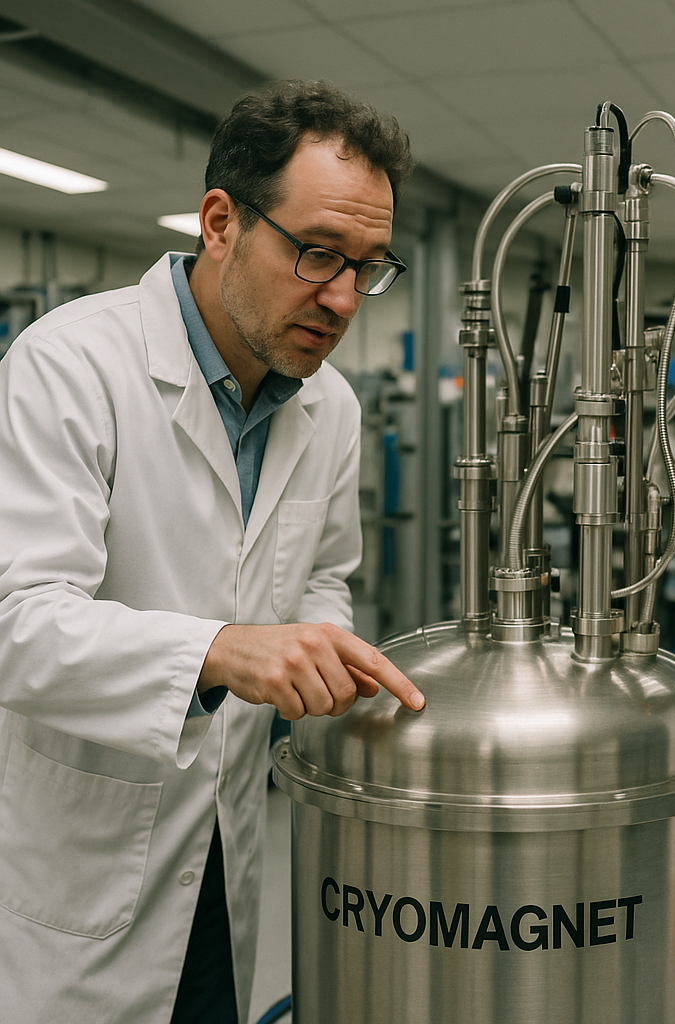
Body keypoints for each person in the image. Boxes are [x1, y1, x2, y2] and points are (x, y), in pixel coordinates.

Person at [0, 80, 425, 1024]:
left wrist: (323, 653)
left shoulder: (331, 406)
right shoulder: (68, 367)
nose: (345, 296)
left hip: (228, 855)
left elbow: (323, 573)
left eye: (370, 265)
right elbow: (17, 623)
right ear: (221, 221)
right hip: (79, 868)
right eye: (318, 253)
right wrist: (224, 650)